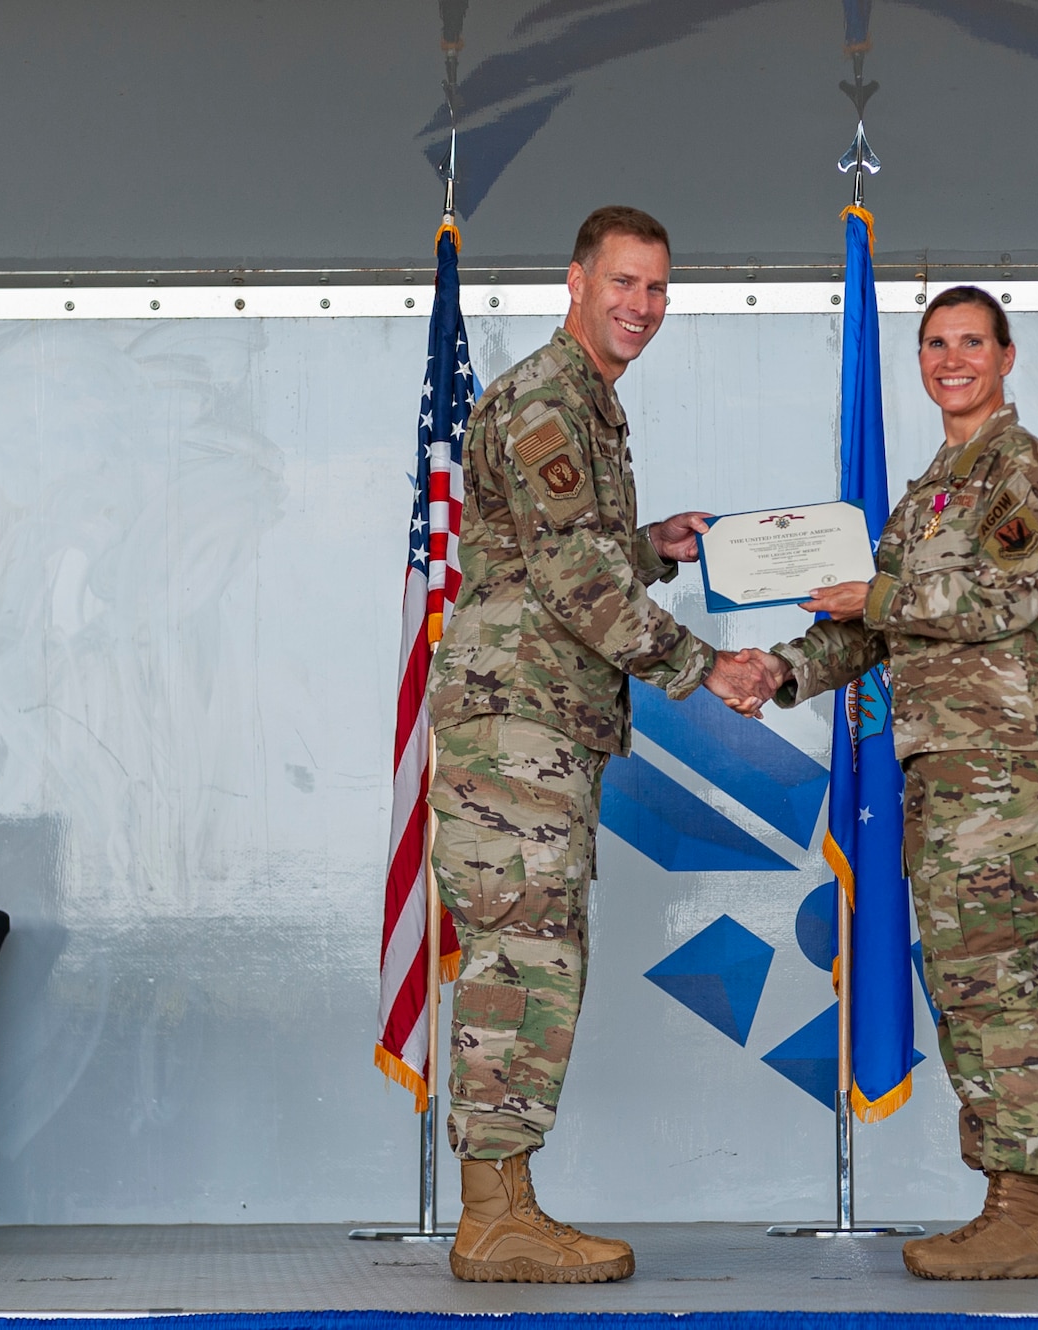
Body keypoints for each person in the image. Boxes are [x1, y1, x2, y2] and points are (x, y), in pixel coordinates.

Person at [424, 205, 767, 1284]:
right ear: (573, 281)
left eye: (657, 289)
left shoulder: (587, 405)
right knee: (519, 958)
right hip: (517, 721)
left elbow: (556, 553)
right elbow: (571, 585)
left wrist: (647, 548)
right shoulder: (545, 400)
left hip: (542, 721)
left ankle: (508, 1202)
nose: (640, 307)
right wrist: (703, 665)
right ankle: (491, 1218)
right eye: (622, 283)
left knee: (533, 956)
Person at [731, 286, 1038, 1280]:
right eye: (934, 344)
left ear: (1006, 356)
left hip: (1001, 765)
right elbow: (873, 623)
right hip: (943, 768)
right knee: (965, 984)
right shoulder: (930, 490)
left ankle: (1022, 1206)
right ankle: (1002, 1202)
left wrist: (877, 593)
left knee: (991, 982)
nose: (950, 360)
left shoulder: (1026, 473)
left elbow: (1002, 594)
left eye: (970, 342)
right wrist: (780, 668)